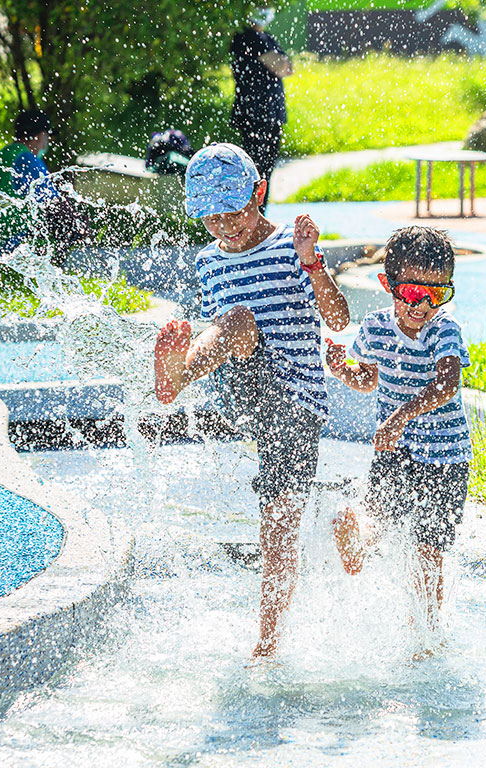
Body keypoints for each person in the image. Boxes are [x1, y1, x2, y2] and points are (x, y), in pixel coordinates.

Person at [153, 142, 349, 658]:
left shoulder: (289, 243)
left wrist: (313, 263)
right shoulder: (208, 263)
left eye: (234, 212)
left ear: (259, 193)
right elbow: (223, 327)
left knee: (278, 528)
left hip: (297, 405)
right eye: (211, 218)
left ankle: (268, 645)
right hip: (245, 389)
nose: (224, 227)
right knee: (236, 321)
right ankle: (178, 377)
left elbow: (338, 320)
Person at [325, 226, 471, 640]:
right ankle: (357, 536)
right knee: (377, 513)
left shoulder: (444, 330)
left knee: (428, 550)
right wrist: (342, 371)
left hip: (445, 459)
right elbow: (369, 379)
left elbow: (447, 386)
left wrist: (401, 415)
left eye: (436, 294)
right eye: (411, 293)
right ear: (387, 285)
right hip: (396, 450)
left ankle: (423, 634)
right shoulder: (374, 327)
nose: (423, 304)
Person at [0, 109, 86, 258]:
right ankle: (60, 261)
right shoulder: (29, 161)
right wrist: (79, 223)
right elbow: (53, 203)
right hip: (20, 246)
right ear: (41, 135)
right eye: (47, 137)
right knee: (72, 219)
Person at [229, 8, 292, 210]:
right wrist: (280, 62)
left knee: (267, 167)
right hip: (255, 114)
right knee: (256, 168)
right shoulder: (247, 38)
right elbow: (281, 66)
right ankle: (251, 213)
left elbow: (287, 67)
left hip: (271, 114)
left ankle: (259, 213)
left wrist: (280, 62)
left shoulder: (267, 38)